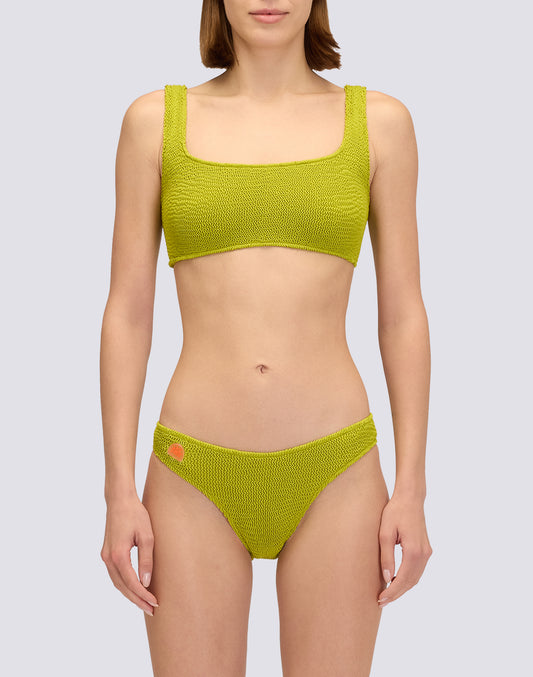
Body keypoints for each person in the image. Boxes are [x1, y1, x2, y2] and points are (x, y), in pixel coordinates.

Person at [99, 1, 433, 674]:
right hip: (192, 470)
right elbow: (128, 312)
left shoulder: (381, 124)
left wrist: (411, 488)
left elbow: (402, 313)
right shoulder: (152, 122)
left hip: (336, 468)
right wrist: (118, 492)